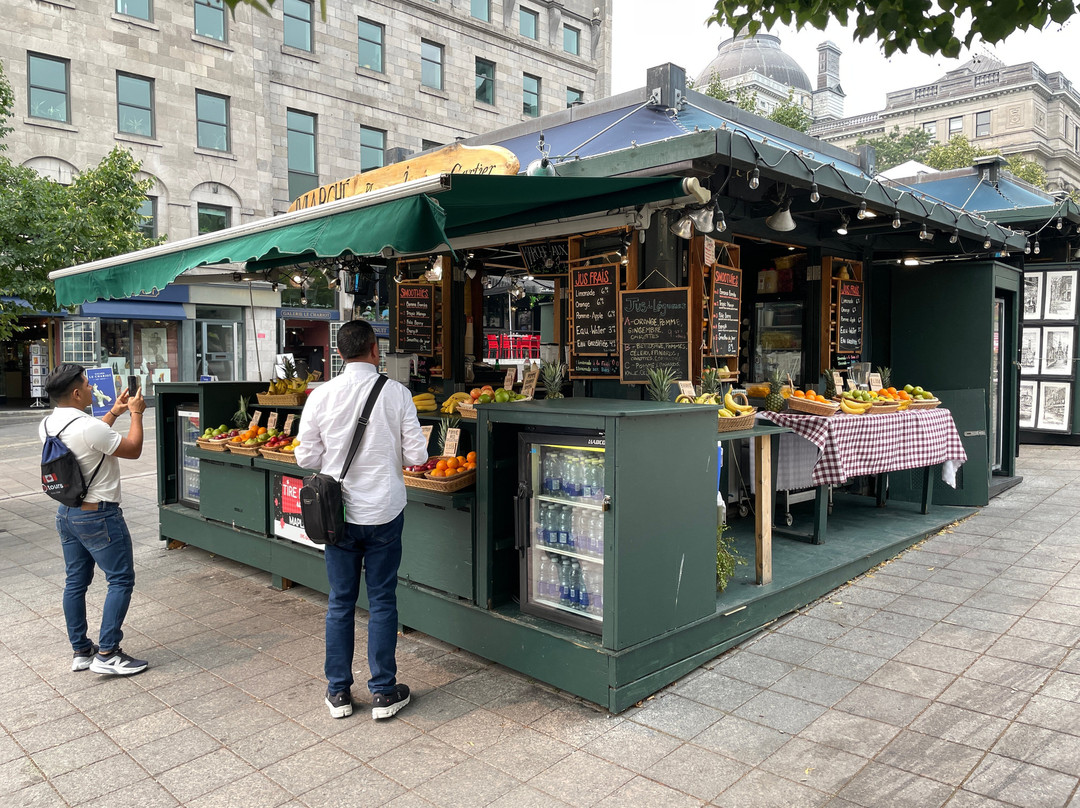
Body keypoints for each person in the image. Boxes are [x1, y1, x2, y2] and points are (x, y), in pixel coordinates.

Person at [296, 319, 428, 720]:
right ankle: (384, 692)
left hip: (339, 515)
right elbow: (418, 458)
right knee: (383, 600)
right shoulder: (398, 394)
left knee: (340, 602)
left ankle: (338, 693)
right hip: (384, 512)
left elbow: (306, 458)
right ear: (376, 350)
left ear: (339, 354)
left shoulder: (321, 395)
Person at [39, 364, 148, 676]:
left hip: (67, 514)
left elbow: (91, 439)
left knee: (75, 582)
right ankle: (109, 653)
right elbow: (134, 449)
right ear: (76, 392)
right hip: (99, 515)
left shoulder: (48, 424)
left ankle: (82, 651)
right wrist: (137, 414)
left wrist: (113, 413)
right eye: (86, 385)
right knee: (121, 579)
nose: (91, 389)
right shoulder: (88, 427)